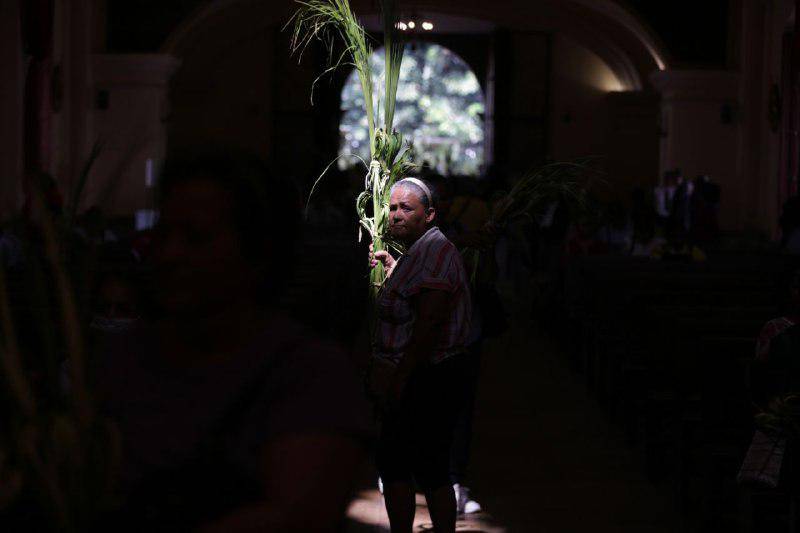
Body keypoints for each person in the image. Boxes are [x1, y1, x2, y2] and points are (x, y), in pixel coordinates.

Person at [95, 149, 372, 532]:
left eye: (197, 237)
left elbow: (298, 514)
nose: (170, 253)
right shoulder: (123, 358)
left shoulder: (307, 374)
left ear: (258, 252)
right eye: (164, 234)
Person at [368, 177, 471, 533]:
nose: (395, 216)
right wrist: (395, 268)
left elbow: (427, 326)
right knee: (398, 461)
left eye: (405, 209)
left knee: (427, 467)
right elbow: (415, 297)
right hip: (417, 373)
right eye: (392, 208)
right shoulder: (419, 250)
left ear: (428, 215)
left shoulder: (438, 251)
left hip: (428, 375)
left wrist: (399, 379)